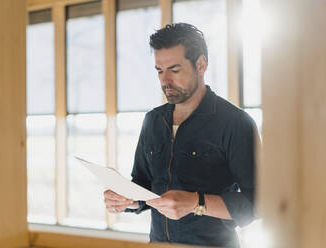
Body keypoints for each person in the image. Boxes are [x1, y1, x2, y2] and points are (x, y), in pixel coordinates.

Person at [104, 23, 258, 247]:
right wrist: (128, 200)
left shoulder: (235, 123)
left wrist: (197, 202)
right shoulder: (152, 121)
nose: (165, 81)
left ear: (201, 65)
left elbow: (259, 201)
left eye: (174, 70)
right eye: (159, 70)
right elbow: (144, 184)